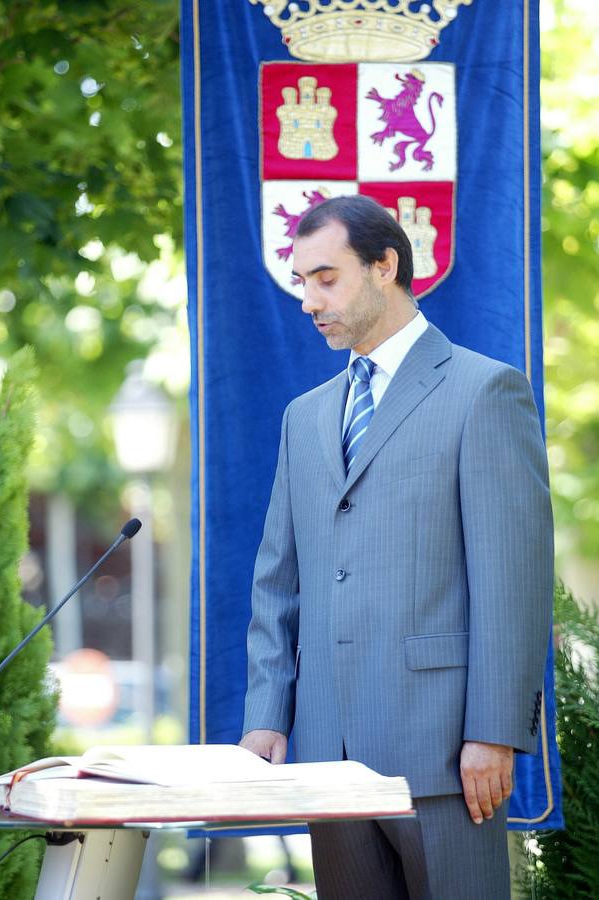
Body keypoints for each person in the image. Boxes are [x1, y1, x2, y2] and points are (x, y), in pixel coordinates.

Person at [240, 195, 553, 899]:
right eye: (300, 282)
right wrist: (267, 713)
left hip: (443, 752)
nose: (308, 300)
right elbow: (276, 582)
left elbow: (511, 578)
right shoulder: (304, 417)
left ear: (385, 266)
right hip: (327, 757)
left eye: (326, 277)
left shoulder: (485, 392)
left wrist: (494, 732)